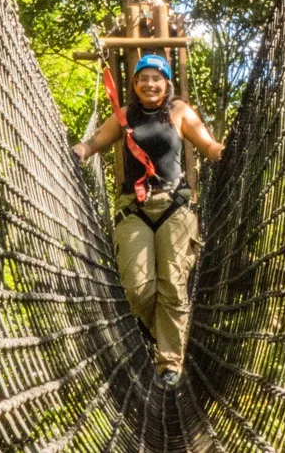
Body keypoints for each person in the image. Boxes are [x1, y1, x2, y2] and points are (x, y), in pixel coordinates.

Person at [72, 54, 224, 388]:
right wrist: (80, 151)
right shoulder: (125, 115)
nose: (150, 84)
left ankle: (169, 363)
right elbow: (96, 141)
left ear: (167, 82)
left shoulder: (179, 111)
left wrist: (220, 151)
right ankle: (160, 330)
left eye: (157, 78)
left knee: (171, 283)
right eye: (143, 78)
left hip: (175, 206)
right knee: (138, 289)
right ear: (135, 84)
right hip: (134, 208)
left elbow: (207, 143)